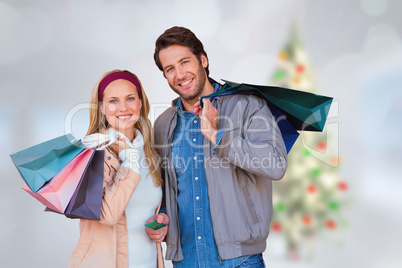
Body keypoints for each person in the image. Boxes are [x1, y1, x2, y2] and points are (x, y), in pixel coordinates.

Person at [147, 26, 288, 267]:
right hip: (187, 260)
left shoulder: (248, 106)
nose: (179, 74)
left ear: (203, 59)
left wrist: (217, 134)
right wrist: (162, 218)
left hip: (240, 259)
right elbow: (169, 190)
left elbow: (276, 164)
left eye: (185, 62)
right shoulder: (163, 124)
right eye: (170, 69)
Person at [68, 70, 164, 268]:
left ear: (140, 104)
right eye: (113, 101)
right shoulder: (93, 154)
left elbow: (149, 209)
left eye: (130, 98)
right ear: (102, 108)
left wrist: (162, 220)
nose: (123, 108)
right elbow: (108, 217)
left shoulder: (152, 155)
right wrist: (129, 160)